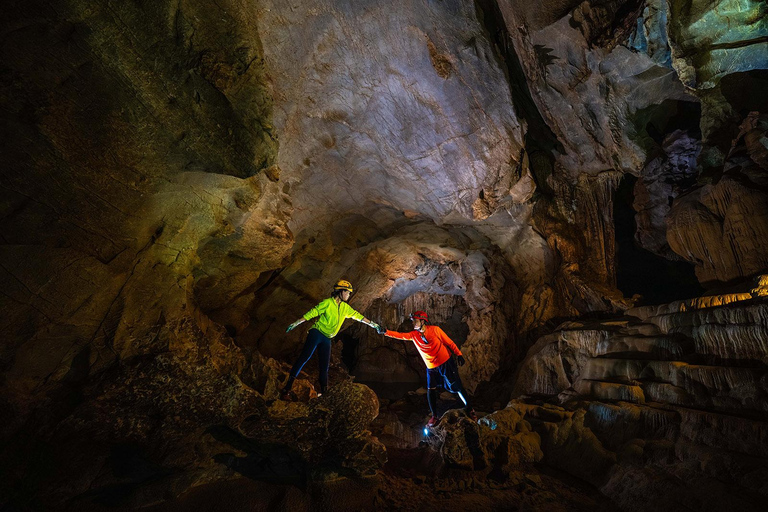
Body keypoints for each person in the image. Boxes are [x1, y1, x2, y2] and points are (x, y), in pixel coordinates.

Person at [281, 280, 381, 399]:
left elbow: (358, 316)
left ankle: (324, 394)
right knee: (304, 358)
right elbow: (313, 312)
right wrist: (297, 322)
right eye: (348, 292)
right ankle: (287, 388)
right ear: (341, 291)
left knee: (325, 366)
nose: (349, 295)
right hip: (317, 333)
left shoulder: (345, 308)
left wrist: (373, 324)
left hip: (327, 338)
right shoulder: (328, 303)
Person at [378, 310, 477, 425]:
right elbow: (400, 336)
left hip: (445, 362)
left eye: (415, 321)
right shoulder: (414, 335)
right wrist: (385, 332)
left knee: (457, 386)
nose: (413, 323)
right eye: (412, 321)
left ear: (422, 321)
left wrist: (459, 354)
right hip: (431, 368)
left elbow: (449, 342)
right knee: (431, 390)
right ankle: (434, 416)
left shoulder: (435, 330)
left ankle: (470, 409)